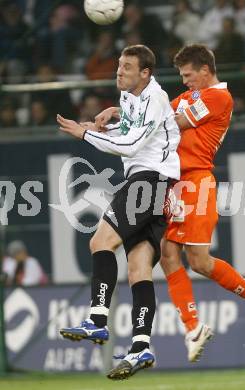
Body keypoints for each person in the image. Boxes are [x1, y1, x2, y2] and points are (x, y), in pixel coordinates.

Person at [56, 45, 180, 380]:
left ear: (146, 73)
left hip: (150, 181)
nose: (119, 71)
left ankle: (97, 321)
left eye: (127, 67)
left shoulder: (156, 97)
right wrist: (101, 126)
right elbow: (125, 135)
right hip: (153, 182)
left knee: (100, 242)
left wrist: (86, 134)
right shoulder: (128, 99)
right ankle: (141, 346)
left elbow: (132, 146)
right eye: (118, 65)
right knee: (138, 268)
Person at [158, 44, 245, 363]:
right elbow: (156, 117)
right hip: (173, 183)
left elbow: (174, 124)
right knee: (168, 254)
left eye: (187, 75)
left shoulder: (220, 97)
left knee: (197, 260)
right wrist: (118, 119)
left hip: (196, 180)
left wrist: (152, 121)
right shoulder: (187, 97)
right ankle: (193, 327)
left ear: (205, 70)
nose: (184, 82)